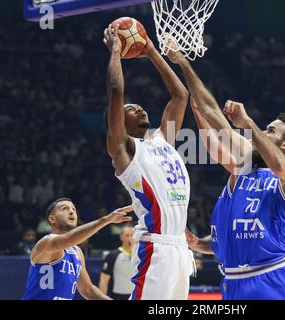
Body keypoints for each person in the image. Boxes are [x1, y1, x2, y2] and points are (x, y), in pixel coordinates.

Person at [169, 49, 285, 299]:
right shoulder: (244, 164)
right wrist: (183, 63)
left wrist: (249, 125)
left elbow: (280, 168)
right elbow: (212, 111)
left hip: (271, 277)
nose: (264, 133)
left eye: (271, 131)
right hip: (232, 282)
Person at [103, 26, 194, 300]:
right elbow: (116, 92)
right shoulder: (124, 149)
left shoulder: (162, 139)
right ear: (119, 119)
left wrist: (152, 51)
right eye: (131, 109)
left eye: (139, 106)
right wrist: (117, 53)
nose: (139, 107)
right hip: (155, 247)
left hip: (179, 248)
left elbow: (181, 96)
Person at [21, 197, 133, 300]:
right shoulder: (46, 242)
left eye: (73, 209)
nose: (71, 211)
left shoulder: (77, 252)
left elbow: (87, 290)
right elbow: (69, 239)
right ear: (52, 219)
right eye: (65, 208)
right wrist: (106, 220)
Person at [99, 225, 136, 300]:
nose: (130, 238)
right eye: (127, 235)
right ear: (121, 237)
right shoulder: (113, 255)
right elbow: (104, 280)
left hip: (136, 295)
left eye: (132, 235)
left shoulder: (141, 255)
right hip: (118, 296)